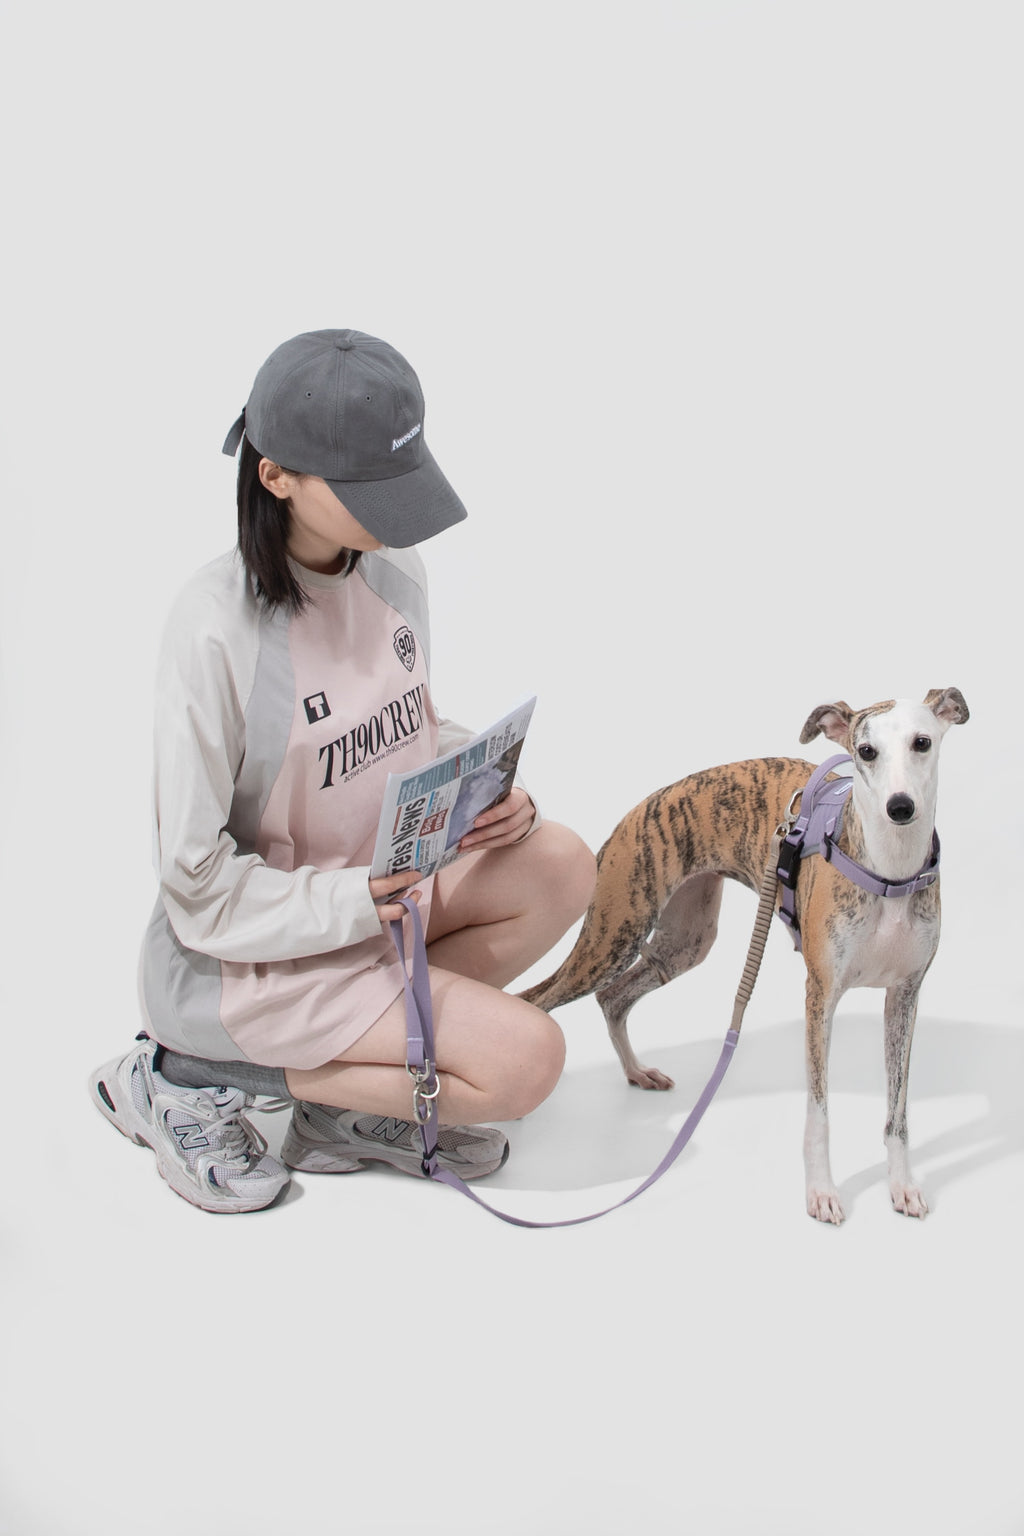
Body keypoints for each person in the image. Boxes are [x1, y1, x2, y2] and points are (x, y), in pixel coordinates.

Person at [89, 328, 596, 1213]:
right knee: (528, 1064)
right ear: (274, 475)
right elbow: (196, 882)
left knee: (562, 862)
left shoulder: (396, 571)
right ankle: (185, 1071)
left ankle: (343, 1113)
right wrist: (354, 898)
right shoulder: (214, 628)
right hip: (258, 955)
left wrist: (479, 782)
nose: (393, 513)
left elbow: (405, 724)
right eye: (367, 490)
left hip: (378, 900)